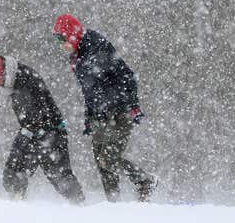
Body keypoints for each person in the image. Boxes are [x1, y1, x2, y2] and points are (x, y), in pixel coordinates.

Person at [52, 14, 157, 202]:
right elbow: (89, 92)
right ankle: (113, 204)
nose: (61, 44)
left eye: (63, 38)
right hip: (100, 116)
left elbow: (127, 76)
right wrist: (89, 117)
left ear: (73, 35)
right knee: (101, 162)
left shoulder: (97, 46)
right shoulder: (77, 57)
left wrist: (131, 104)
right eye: (58, 40)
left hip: (119, 113)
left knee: (108, 159)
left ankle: (145, 181)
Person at [0, 45, 85, 204]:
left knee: (58, 175)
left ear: (1, 73)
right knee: (15, 171)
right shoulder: (14, 79)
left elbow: (36, 116)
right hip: (35, 131)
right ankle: (18, 202)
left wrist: (30, 134)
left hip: (50, 132)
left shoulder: (23, 81)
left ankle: (81, 208)